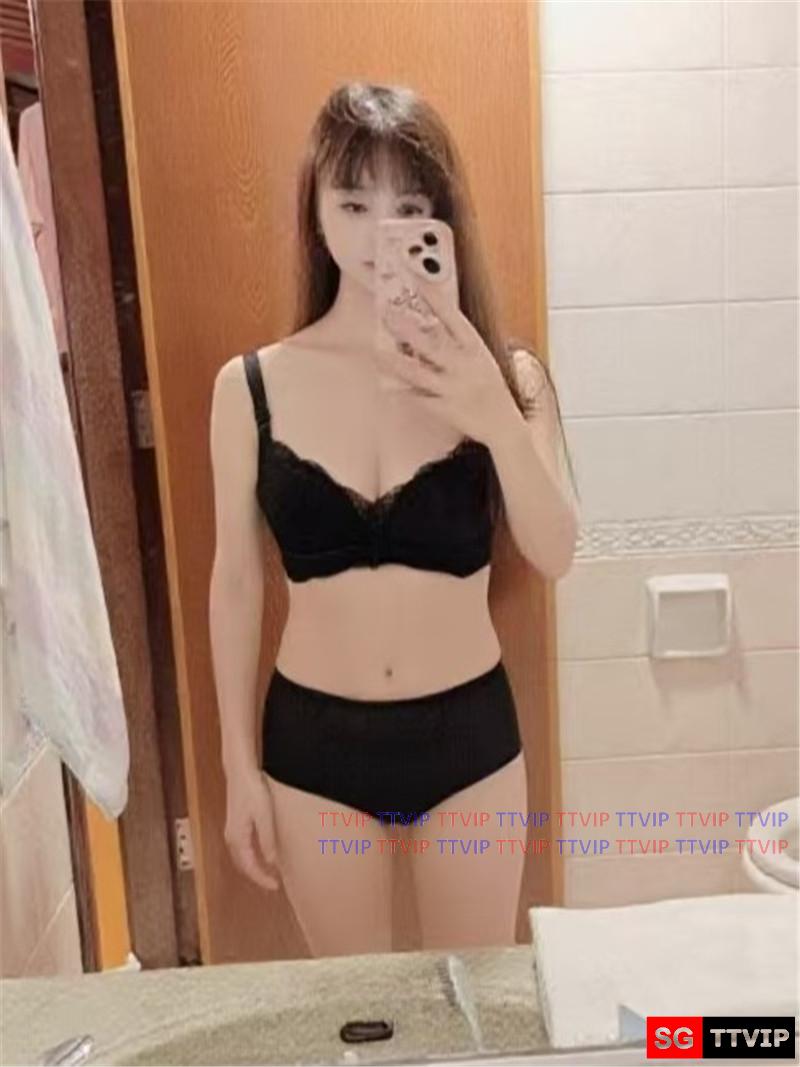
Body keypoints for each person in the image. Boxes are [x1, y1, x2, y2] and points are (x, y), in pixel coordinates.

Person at [209, 81, 579, 958]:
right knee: (358, 1010)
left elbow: (556, 550)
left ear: (440, 220)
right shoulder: (250, 387)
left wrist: (490, 407)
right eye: (354, 202)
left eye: (408, 207)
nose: (382, 230)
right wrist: (236, 767)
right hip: (315, 750)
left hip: (469, 744)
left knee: (472, 1001)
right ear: (316, 212)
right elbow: (235, 583)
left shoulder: (508, 376)